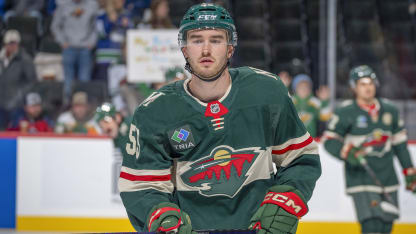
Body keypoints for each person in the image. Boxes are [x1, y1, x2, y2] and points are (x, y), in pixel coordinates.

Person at [119, 3, 321, 233]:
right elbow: (141, 184)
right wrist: (162, 215)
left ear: (230, 48)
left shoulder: (266, 92)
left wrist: (284, 200)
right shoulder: (155, 111)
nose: (206, 50)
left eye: (216, 40)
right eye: (196, 40)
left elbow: (299, 158)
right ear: (184, 49)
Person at [322, 65, 416, 234]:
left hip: (388, 177)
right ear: (354, 87)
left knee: (386, 226)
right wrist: (346, 152)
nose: (368, 87)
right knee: (371, 226)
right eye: (362, 84)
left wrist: (409, 171)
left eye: (370, 83)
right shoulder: (346, 111)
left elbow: (400, 145)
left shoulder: (390, 110)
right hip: (361, 178)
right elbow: (329, 140)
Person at [51, 0, 99, 103]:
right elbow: (55, 26)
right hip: (69, 48)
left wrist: (92, 42)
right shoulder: (63, 6)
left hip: (85, 48)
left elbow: (95, 26)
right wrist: (62, 41)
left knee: (84, 80)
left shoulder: (92, 5)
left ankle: (84, 106)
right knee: (68, 81)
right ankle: (67, 105)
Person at [95, 102, 132, 202]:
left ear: (118, 117)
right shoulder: (116, 137)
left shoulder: (133, 124)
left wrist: (178, 138)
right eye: (101, 124)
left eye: (107, 121)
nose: (105, 127)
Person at [0, 29, 37, 117]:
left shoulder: (25, 59)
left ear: (18, 43)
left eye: (14, 43)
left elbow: (32, 81)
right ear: (5, 44)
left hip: (16, 105)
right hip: (1, 103)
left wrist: (19, 95)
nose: (12, 46)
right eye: (10, 43)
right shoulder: (1, 58)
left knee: (15, 130)